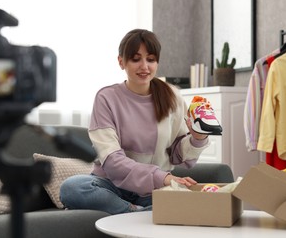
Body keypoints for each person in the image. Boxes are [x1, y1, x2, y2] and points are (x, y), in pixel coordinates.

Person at [60, 29, 210, 215]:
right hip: (111, 185)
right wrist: (163, 178)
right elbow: (112, 161)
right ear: (121, 61)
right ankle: (138, 213)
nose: (144, 66)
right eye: (136, 59)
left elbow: (176, 154)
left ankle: (131, 212)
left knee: (191, 202)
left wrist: (197, 138)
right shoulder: (106, 98)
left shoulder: (172, 96)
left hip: (153, 191)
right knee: (71, 188)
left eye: (151, 59)